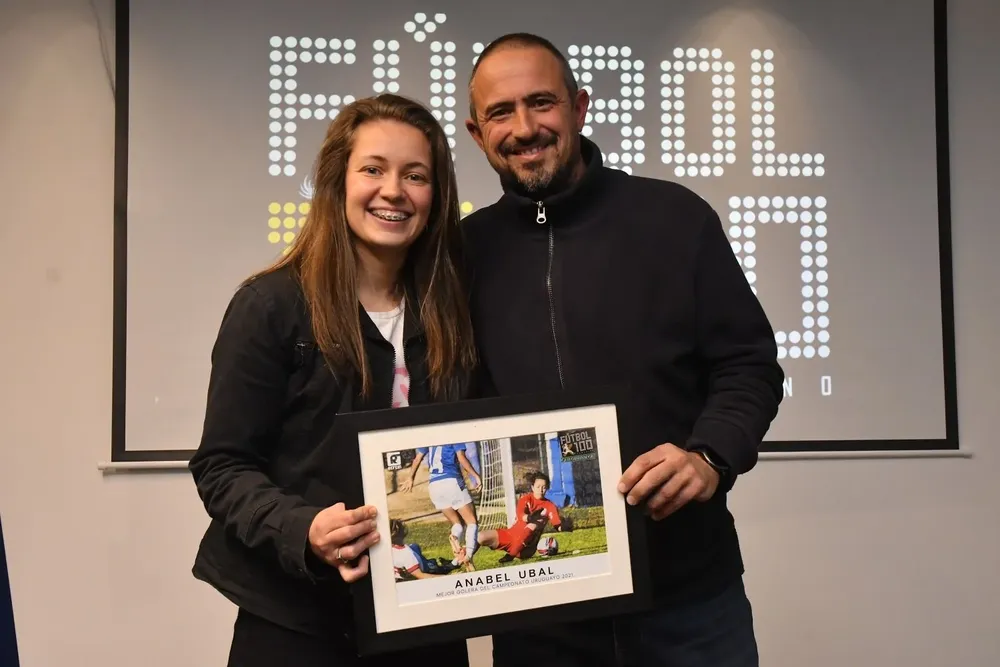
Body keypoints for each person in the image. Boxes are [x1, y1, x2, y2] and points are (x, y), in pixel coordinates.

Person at [461, 33, 785, 667]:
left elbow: (748, 364)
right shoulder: (460, 253)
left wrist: (709, 455)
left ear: (580, 108)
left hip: (689, 600)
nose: (524, 127)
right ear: (477, 134)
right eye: (501, 112)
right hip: (538, 611)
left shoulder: (674, 218)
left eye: (542, 102)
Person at [187, 93, 477, 667]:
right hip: (298, 624)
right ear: (336, 181)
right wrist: (304, 528)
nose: (393, 190)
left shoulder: (454, 311)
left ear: (436, 195)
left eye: (415, 175)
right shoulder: (270, 306)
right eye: (373, 169)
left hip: (425, 623)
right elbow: (221, 467)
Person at [399, 444, 481, 570]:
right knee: (472, 522)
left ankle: (455, 537)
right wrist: (475, 476)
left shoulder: (430, 437)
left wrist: (410, 478)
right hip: (451, 480)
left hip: (434, 485)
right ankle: (468, 555)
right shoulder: (453, 434)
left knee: (457, 524)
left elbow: (417, 458)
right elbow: (462, 458)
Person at [477, 471, 565, 563]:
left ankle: (510, 556)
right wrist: (530, 517)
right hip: (510, 535)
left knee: (533, 525)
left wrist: (563, 527)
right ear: (532, 487)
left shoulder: (550, 506)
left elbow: (556, 524)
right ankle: (464, 559)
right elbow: (520, 515)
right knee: (480, 536)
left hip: (526, 548)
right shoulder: (525, 499)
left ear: (547, 488)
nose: (541, 490)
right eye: (538, 487)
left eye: (544, 487)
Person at [389, 519, 460, 580]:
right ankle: (454, 563)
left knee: (415, 547)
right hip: (416, 578)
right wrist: (450, 579)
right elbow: (422, 576)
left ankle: (454, 562)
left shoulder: (388, 551)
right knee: (433, 566)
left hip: (401, 577)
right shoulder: (406, 554)